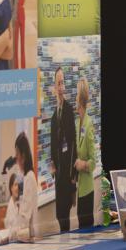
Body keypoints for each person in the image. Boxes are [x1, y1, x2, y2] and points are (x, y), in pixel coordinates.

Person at [50, 67, 77, 232]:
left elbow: (73, 143)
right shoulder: (54, 116)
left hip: (68, 173)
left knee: (65, 213)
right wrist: (52, 165)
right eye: (58, 83)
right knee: (59, 214)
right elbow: (54, 145)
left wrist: (74, 176)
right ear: (54, 87)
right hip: (58, 175)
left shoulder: (68, 111)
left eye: (62, 83)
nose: (60, 87)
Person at [74, 76, 96, 228]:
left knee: (86, 226)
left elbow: (93, 162)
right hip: (79, 187)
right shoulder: (77, 124)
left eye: (76, 96)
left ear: (80, 100)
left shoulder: (88, 126)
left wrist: (83, 165)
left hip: (87, 189)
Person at [14, 131, 37, 238]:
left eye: (17, 154)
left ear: (23, 156)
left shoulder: (29, 177)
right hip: (25, 236)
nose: (16, 158)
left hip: (28, 236)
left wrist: (11, 236)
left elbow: (25, 217)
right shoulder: (25, 177)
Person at [15, 0, 27, 69]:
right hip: (15, 15)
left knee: (22, 44)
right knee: (15, 44)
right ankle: (15, 68)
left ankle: (23, 67)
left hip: (22, 14)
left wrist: (19, 1)